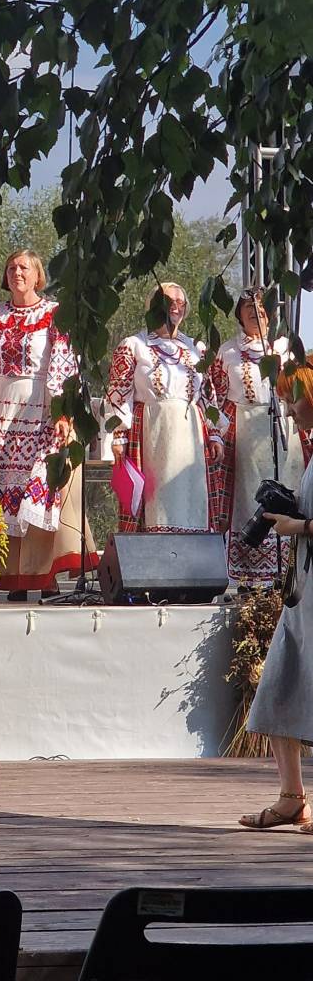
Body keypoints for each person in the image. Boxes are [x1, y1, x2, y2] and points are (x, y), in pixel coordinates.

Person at [0, 248, 95, 601]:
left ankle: (43, 574)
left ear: (38, 275)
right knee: (0, 491)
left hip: (39, 405)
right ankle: (12, 577)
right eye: (10, 268)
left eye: (23, 268)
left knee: (38, 486)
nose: (16, 273)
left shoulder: (53, 314)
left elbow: (64, 364)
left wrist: (63, 412)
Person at [239, 356, 313, 831]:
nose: (289, 409)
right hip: (303, 593)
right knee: (278, 685)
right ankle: (291, 796)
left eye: (294, 398)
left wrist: (299, 524)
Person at [106, 281, 224, 535]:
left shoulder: (196, 348)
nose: (175, 308)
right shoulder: (134, 345)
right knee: (156, 500)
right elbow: (119, 392)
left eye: (181, 303)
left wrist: (215, 434)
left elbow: (207, 394)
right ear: (153, 307)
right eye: (169, 302)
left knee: (190, 501)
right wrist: (118, 436)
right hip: (152, 430)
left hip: (190, 433)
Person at [210, 287, 308, 588]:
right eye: (249, 309)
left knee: (291, 490)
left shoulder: (285, 349)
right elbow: (215, 396)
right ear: (239, 314)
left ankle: (289, 566)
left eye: (262, 309)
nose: (256, 313)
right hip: (246, 429)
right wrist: (219, 434)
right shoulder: (227, 351)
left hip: (284, 427)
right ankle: (251, 575)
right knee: (251, 495)